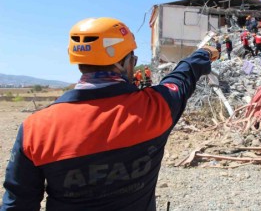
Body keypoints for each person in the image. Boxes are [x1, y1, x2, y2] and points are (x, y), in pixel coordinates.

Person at [1, 17, 219, 210]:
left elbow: (18, 202)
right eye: (133, 60)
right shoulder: (155, 108)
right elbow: (182, 77)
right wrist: (204, 54)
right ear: (124, 63)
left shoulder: (35, 128)